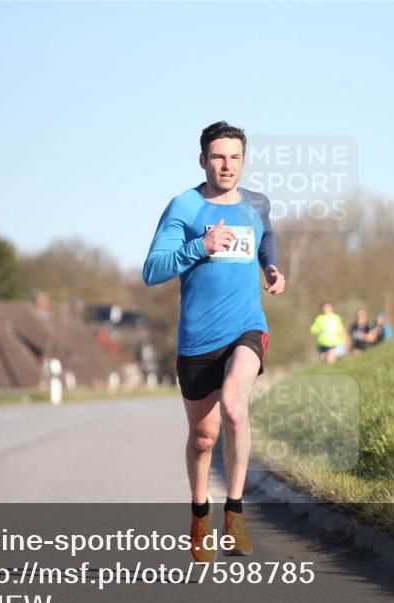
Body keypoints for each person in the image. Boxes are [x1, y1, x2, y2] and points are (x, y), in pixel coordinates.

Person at [142, 121, 286, 563]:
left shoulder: (257, 204)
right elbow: (152, 270)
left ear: (244, 161)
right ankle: (200, 513)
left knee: (234, 408)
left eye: (235, 157)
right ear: (203, 160)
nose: (227, 165)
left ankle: (236, 514)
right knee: (203, 437)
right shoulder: (184, 207)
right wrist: (200, 247)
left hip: (246, 326)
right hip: (196, 339)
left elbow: (268, 237)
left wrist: (271, 268)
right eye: (218, 157)